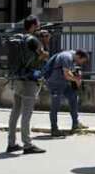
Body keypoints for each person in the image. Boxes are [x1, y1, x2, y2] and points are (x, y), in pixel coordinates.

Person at [6, 15, 48, 155]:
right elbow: (42, 56)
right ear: (33, 25)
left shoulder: (19, 38)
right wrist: (45, 45)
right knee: (26, 113)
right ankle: (27, 144)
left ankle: (11, 143)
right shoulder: (33, 40)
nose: (40, 26)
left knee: (15, 111)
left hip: (18, 77)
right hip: (29, 80)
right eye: (38, 24)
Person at [43, 48, 88, 137]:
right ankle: (54, 129)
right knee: (55, 106)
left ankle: (75, 124)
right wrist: (76, 80)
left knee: (74, 98)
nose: (81, 63)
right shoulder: (67, 57)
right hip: (55, 83)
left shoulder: (71, 57)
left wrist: (76, 76)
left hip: (63, 83)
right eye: (82, 61)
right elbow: (67, 75)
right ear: (78, 56)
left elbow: (68, 72)